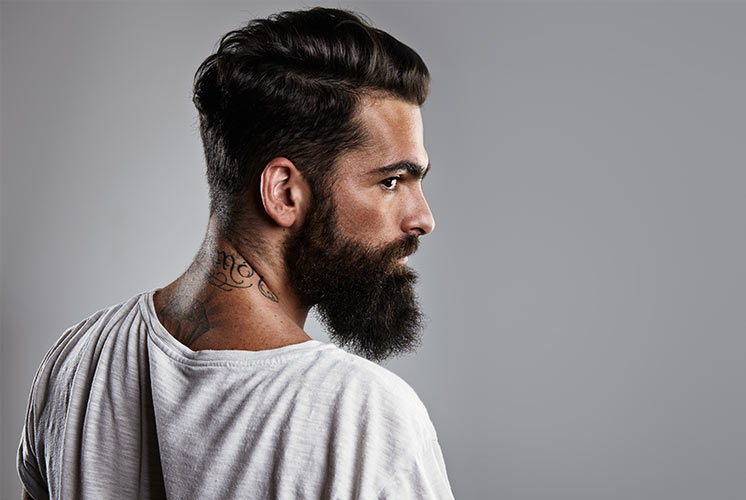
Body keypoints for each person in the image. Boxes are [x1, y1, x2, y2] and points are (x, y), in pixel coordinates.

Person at [17, 7, 454, 499]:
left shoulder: (77, 360)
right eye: (391, 181)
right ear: (284, 192)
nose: (423, 218)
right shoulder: (364, 418)